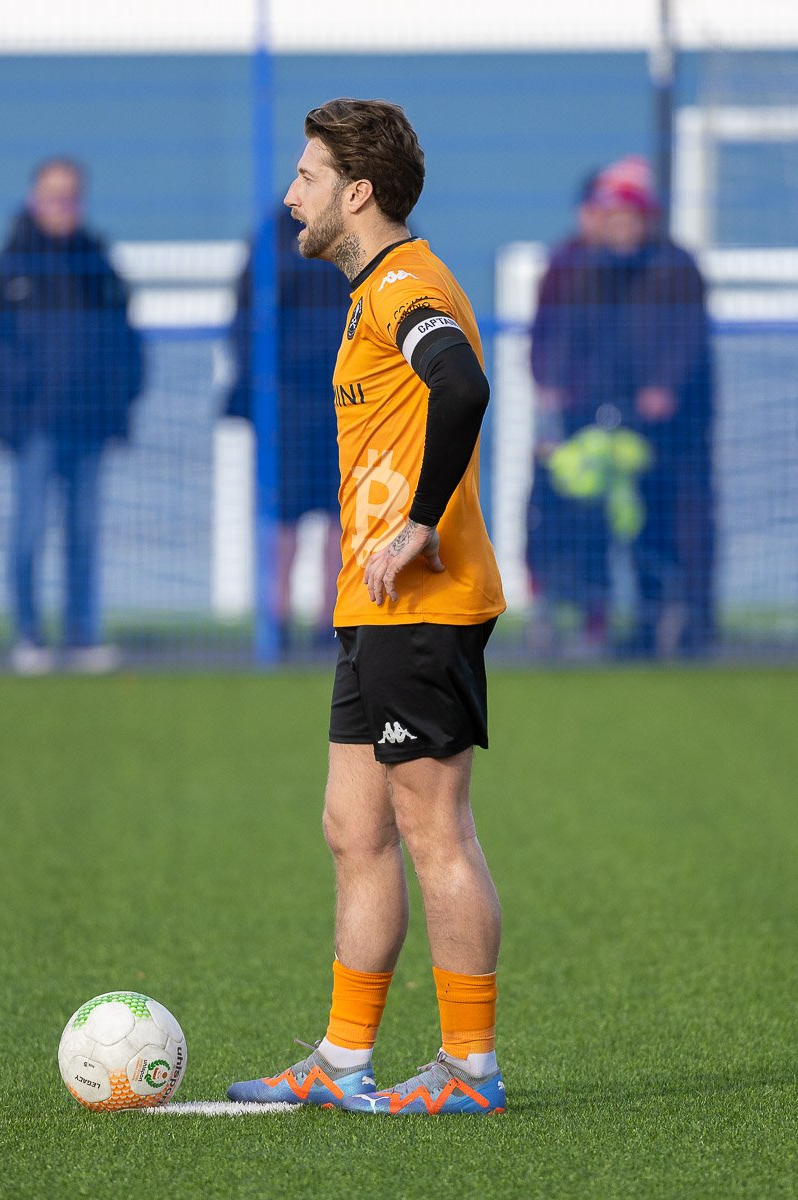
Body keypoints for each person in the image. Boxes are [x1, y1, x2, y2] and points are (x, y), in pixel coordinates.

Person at [227, 98, 508, 1116]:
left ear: (357, 192)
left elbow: (465, 388)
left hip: (422, 606)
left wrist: (422, 521)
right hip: (372, 611)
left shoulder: (405, 285)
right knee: (353, 827)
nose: (290, 193)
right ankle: (345, 1059)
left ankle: (470, 1068)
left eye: (306, 175)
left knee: (436, 828)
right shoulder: (367, 293)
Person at [0, 158, 144, 675]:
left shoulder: (97, 262)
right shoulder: (10, 265)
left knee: (83, 532)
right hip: (33, 425)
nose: (63, 207)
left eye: (71, 197)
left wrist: (123, 394)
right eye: (53, 196)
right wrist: (23, 380)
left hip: (90, 420)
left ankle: (81, 634)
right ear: (33, 200)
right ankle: (29, 635)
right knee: (29, 530)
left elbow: (126, 338)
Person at [588, 157, 715, 658]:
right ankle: (643, 623)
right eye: (611, 218)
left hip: (679, 428)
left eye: (627, 218)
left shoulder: (677, 267)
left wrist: (665, 386)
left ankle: (693, 628)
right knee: (635, 525)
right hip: (628, 423)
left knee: (685, 524)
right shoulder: (601, 271)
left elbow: (688, 339)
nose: (619, 229)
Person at [226, 208, 349, 649]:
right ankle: (274, 622)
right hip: (287, 400)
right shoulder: (274, 236)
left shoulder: (371, 225)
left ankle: (333, 619)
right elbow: (244, 318)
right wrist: (258, 384)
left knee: (346, 510)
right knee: (283, 513)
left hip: (351, 398)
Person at [525, 169, 616, 655]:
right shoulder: (564, 263)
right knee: (546, 515)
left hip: (601, 414)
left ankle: (593, 620)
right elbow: (543, 338)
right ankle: (546, 612)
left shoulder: (624, 269)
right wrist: (547, 392)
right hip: (560, 411)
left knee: (596, 520)